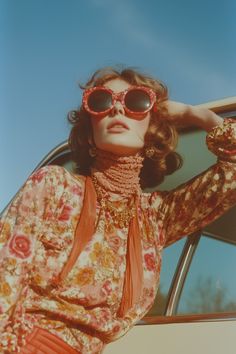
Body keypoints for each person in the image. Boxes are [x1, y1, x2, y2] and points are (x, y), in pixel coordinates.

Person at [0, 67, 235, 354]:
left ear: (153, 126)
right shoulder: (54, 185)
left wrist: (192, 115)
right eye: (101, 102)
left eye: (135, 102)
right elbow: (4, 281)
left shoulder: (155, 217)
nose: (117, 110)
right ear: (90, 130)